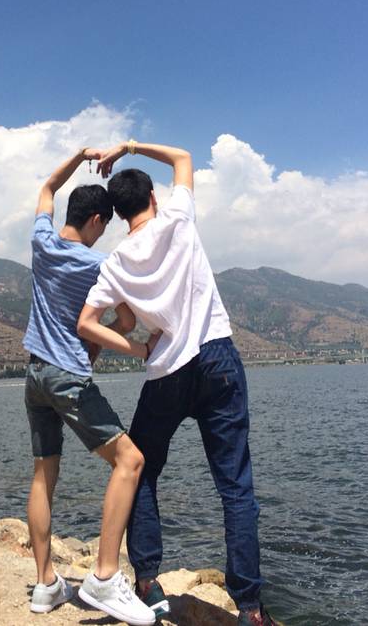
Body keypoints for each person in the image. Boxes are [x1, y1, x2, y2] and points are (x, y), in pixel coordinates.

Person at [78, 140, 276, 626]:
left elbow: (87, 323)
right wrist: (128, 147)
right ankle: (250, 608)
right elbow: (183, 159)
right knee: (236, 488)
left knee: (141, 470)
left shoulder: (116, 263)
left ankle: (147, 582)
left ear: (119, 214)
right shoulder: (178, 218)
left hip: (165, 369)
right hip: (217, 359)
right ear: (153, 198)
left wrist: (137, 348)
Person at [23, 147, 157, 626]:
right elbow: (125, 321)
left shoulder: (41, 241)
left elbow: (46, 188)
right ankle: (104, 577)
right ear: (97, 220)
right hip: (67, 378)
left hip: (35, 375)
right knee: (130, 460)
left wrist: (80, 156)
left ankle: (45, 584)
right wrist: (131, 344)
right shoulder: (97, 266)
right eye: (104, 226)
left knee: (44, 474)